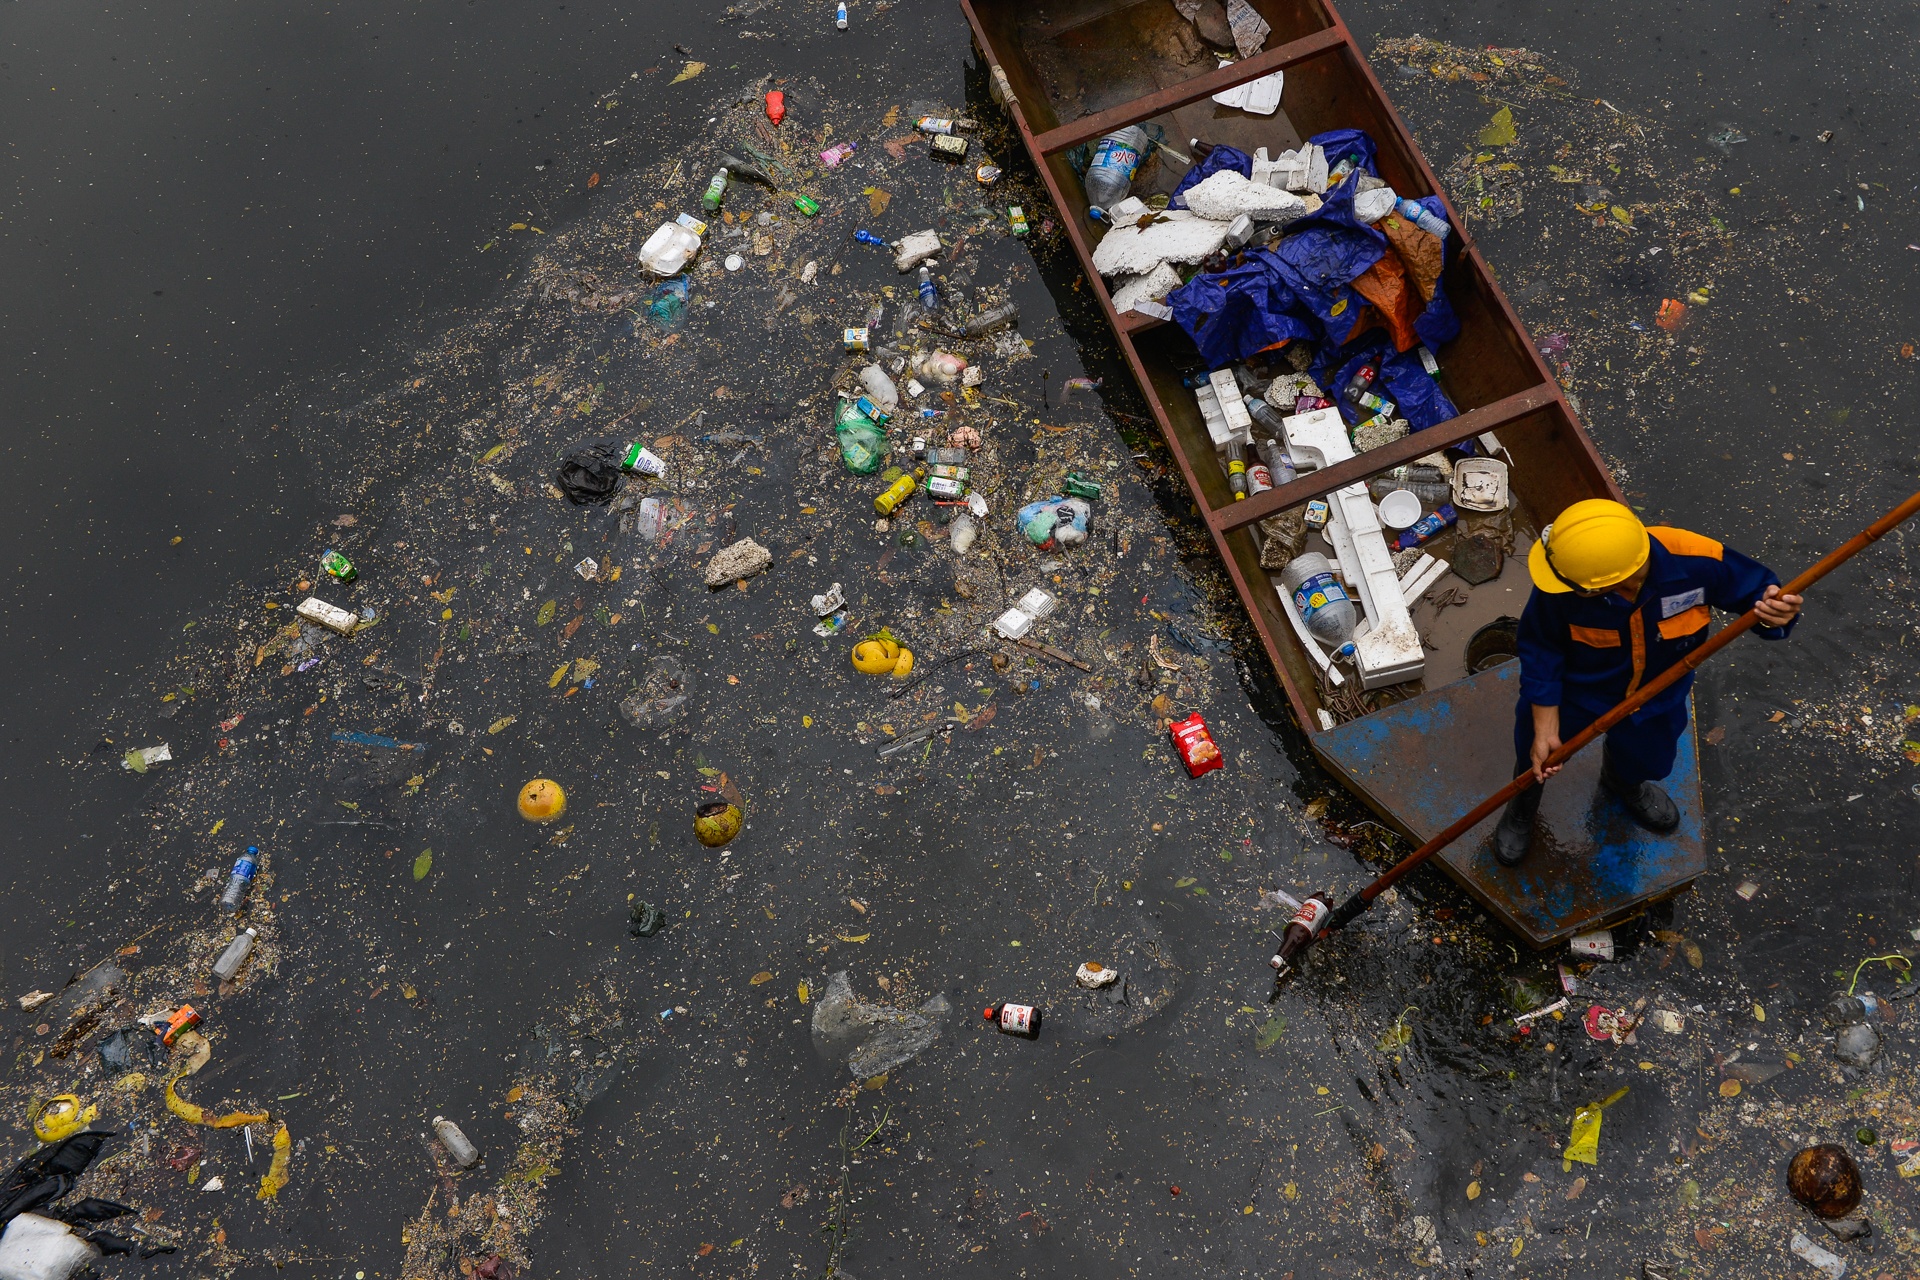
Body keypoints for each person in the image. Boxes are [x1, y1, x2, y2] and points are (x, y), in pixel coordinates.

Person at [1495, 499, 1802, 866]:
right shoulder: (1566, 575)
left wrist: (1773, 614)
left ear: (1611, 582)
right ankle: (1522, 806)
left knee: (1648, 757)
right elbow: (1540, 646)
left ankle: (1623, 782)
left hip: (1658, 695)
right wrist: (1545, 720)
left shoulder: (1698, 560)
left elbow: (1759, 594)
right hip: (1579, 691)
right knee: (1535, 752)